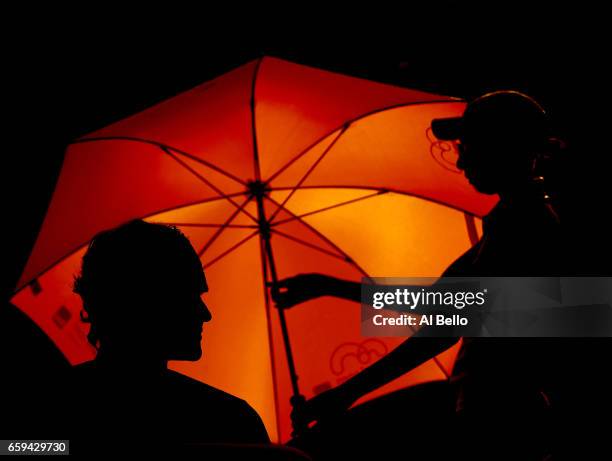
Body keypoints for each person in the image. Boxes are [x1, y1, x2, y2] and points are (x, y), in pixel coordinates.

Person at [274, 91, 563, 458]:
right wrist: (329, 286)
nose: (461, 162)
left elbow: (443, 326)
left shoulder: (523, 227)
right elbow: (445, 305)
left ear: (503, 148)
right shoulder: (515, 220)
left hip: (500, 420)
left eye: (470, 146)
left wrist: (346, 394)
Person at [65, 220, 269, 452]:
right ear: (148, 301)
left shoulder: (50, 404)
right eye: (190, 296)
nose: (205, 314)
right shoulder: (231, 422)